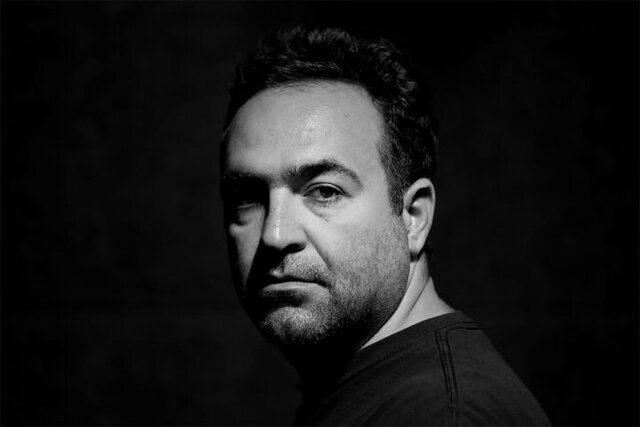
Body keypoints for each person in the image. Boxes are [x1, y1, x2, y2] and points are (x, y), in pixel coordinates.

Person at [219, 26, 550, 426]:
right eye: (248, 197)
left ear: (414, 217)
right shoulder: (382, 396)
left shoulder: (442, 415)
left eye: (324, 192)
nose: (275, 234)